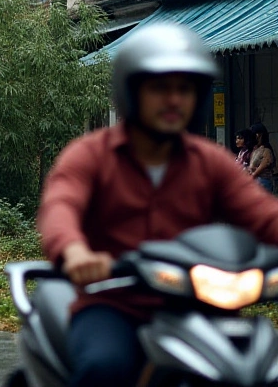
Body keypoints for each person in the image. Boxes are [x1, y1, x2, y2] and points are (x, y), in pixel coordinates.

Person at [37, 24, 278, 387]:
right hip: (114, 304)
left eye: (184, 89)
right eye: (159, 88)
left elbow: (262, 214)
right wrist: (75, 252)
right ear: (131, 93)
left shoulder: (210, 162)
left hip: (197, 306)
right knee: (105, 368)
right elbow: (61, 208)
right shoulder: (90, 155)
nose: (173, 100)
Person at [249, 123, 275, 192]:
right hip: (255, 181)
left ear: (258, 134)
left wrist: (253, 175)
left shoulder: (266, 150)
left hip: (263, 181)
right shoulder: (255, 149)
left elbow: (263, 165)